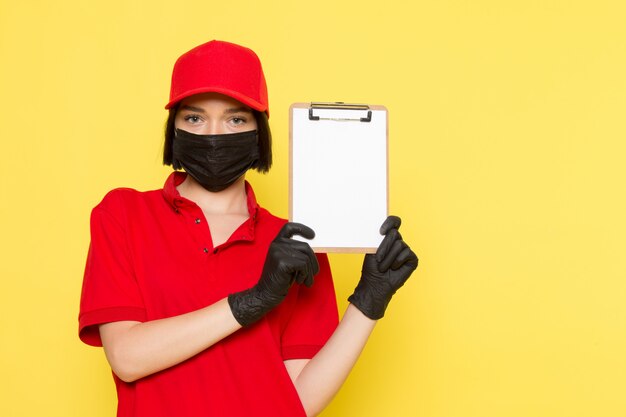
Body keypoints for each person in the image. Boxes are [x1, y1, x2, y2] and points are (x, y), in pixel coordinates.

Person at [78, 40, 418, 417]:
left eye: (236, 119)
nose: (214, 133)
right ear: (173, 129)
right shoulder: (124, 214)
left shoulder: (297, 245)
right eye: (194, 118)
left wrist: (369, 302)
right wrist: (252, 301)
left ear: (259, 134)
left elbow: (300, 400)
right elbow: (126, 357)